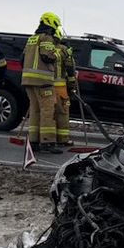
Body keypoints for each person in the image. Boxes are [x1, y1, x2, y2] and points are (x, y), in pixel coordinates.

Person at [21, 12, 63, 154]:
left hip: (28, 81)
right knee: (47, 111)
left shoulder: (31, 39)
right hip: (43, 81)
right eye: (56, 24)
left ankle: (33, 141)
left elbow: (22, 59)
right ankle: (48, 142)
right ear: (51, 23)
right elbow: (48, 56)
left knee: (35, 111)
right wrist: (59, 54)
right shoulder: (47, 38)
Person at [52, 32, 77, 147]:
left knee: (48, 113)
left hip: (45, 85)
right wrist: (72, 85)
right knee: (62, 112)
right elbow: (70, 69)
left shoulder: (45, 49)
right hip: (60, 86)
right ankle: (62, 139)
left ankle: (47, 139)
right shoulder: (65, 51)